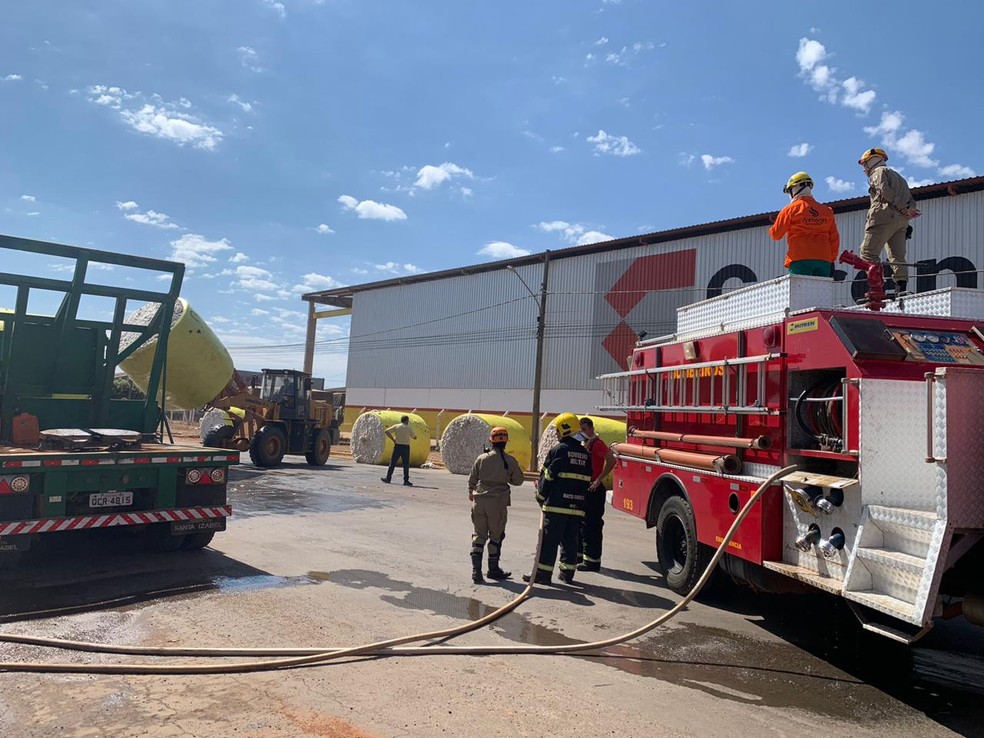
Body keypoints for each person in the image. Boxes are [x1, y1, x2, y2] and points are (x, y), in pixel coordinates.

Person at [523, 413, 591, 585]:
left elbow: (548, 476)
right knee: (570, 541)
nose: (556, 435)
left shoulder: (558, 450)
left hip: (556, 506)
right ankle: (567, 574)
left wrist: (540, 496)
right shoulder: (585, 454)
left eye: (558, 431)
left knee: (549, 541)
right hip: (577, 507)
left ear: (565, 430)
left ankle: (543, 575)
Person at [858, 147, 921, 296]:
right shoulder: (900, 178)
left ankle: (876, 289)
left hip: (882, 218)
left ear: (873, 161)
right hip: (901, 222)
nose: (864, 168)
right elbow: (911, 201)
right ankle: (901, 288)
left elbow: (884, 191)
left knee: (868, 254)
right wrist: (907, 210)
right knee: (897, 256)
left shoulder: (878, 172)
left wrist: (901, 207)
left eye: (865, 164)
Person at [467, 426, 524, 584]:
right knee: (496, 536)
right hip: (497, 503)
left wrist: (471, 492)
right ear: (506, 442)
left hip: (479, 502)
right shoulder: (510, 461)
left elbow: (472, 479)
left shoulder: (481, 458)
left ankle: (476, 573)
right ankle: (493, 570)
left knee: (479, 535)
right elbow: (518, 480)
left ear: (490, 441)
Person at [768, 171, 840, 276]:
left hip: (800, 258)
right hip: (824, 259)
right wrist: (831, 259)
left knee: (799, 292)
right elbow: (834, 238)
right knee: (820, 292)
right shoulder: (827, 211)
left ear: (794, 189)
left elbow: (776, 235)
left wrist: (774, 226)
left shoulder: (789, 210)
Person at [577, 417, 617, 573]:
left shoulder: (597, 444)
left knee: (592, 526)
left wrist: (599, 480)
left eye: (585, 429)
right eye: (581, 430)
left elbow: (611, 460)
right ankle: (580, 555)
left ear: (591, 429)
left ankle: (592, 562)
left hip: (594, 488)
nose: (583, 432)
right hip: (585, 487)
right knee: (581, 524)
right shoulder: (585, 444)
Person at [381, 415, 416, 486]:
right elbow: (414, 437)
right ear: (406, 421)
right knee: (405, 464)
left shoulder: (396, 426)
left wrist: (393, 439)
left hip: (397, 446)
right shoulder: (409, 428)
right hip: (406, 447)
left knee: (393, 463)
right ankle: (406, 480)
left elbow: (387, 431)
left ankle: (388, 478)